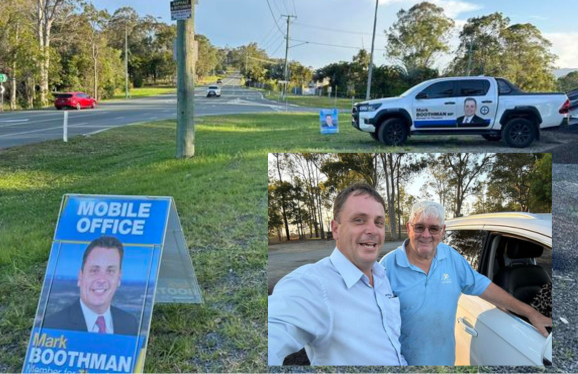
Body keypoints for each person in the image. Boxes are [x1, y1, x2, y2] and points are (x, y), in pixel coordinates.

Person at [382, 201, 552, 365]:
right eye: (419, 227)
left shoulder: (451, 257)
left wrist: (530, 312)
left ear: (442, 231)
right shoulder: (386, 267)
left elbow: (484, 287)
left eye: (433, 228)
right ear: (409, 228)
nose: (426, 235)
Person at [268, 183, 406, 366]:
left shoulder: (382, 276)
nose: (372, 230)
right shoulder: (312, 285)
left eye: (378, 222)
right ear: (335, 229)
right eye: (359, 220)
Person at [43, 236, 139, 335]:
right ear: (80, 277)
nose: (102, 279)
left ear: (119, 278)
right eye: (94, 270)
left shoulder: (130, 324)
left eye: (110, 271)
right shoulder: (49, 327)